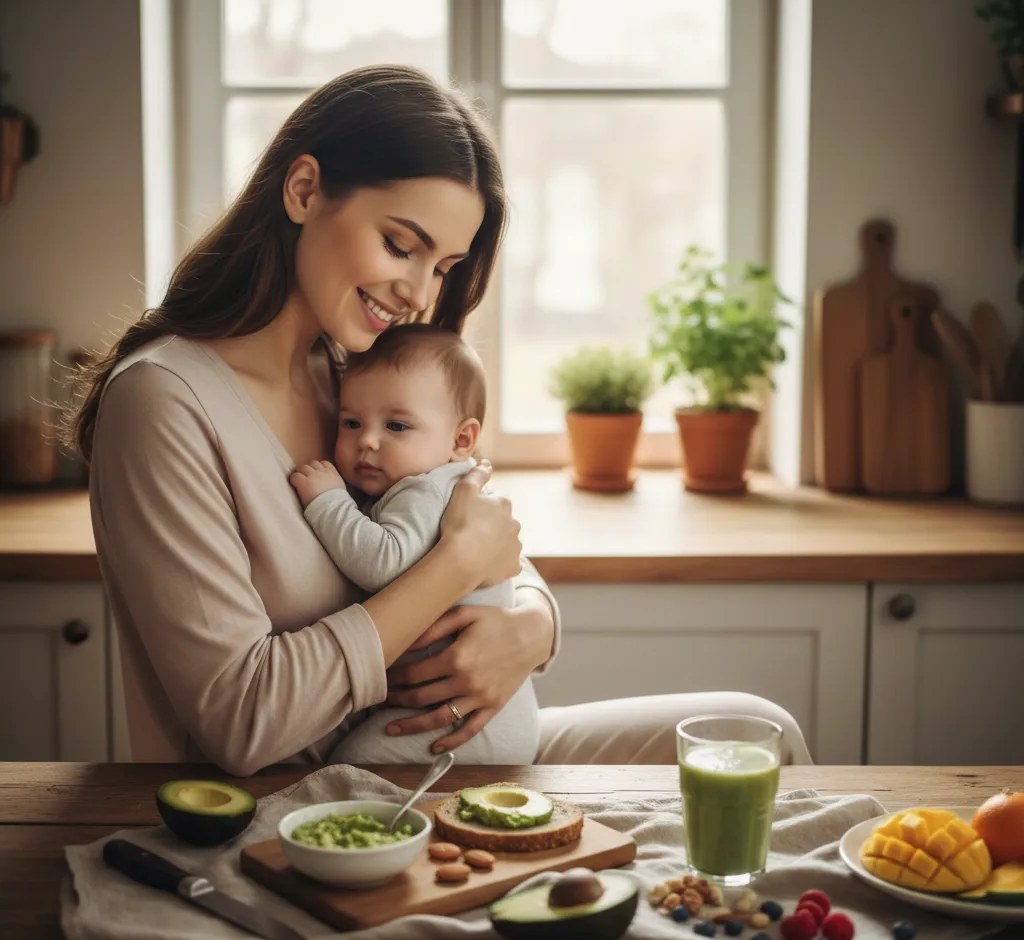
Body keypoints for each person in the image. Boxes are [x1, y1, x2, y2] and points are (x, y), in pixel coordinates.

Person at [64, 65, 813, 776]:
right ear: (302, 190)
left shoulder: (354, 376)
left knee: (763, 732)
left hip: (440, 746)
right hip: (303, 803)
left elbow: (468, 528)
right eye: (401, 244)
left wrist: (531, 627)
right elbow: (243, 720)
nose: (420, 294)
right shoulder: (163, 403)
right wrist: (454, 570)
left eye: (445, 267)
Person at [289, 323, 540, 764]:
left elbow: (382, 562)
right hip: (466, 704)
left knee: (353, 766)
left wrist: (328, 502)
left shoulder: (423, 490)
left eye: (397, 425)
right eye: (351, 422)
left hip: (466, 724)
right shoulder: (431, 480)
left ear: (461, 440)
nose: (366, 440)